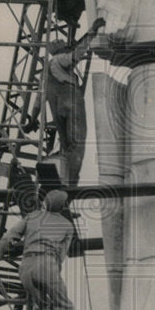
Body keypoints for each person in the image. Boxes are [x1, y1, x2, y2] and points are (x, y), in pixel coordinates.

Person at [0, 189, 76, 310]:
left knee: (43, 308)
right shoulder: (67, 225)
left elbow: (7, 238)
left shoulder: (32, 217)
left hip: (26, 267)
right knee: (65, 307)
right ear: (63, 206)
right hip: (47, 264)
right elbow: (61, 257)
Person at [45, 16, 104, 186]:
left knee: (67, 145)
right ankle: (71, 182)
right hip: (70, 100)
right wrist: (92, 32)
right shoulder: (60, 59)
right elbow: (76, 55)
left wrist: (32, 120)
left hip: (57, 107)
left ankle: (62, 178)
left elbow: (38, 99)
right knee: (77, 144)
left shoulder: (46, 71)